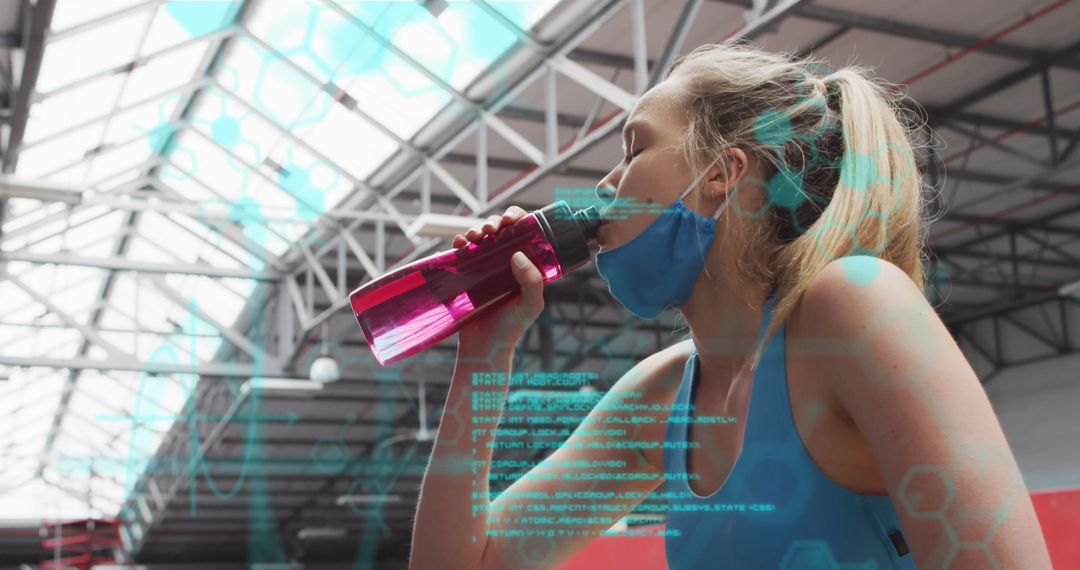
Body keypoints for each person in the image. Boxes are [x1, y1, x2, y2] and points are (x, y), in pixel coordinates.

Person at [408, 42, 1052, 569]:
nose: (605, 183)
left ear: (720, 172)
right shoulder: (660, 397)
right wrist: (484, 354)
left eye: (634, 148)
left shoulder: (853, 304)